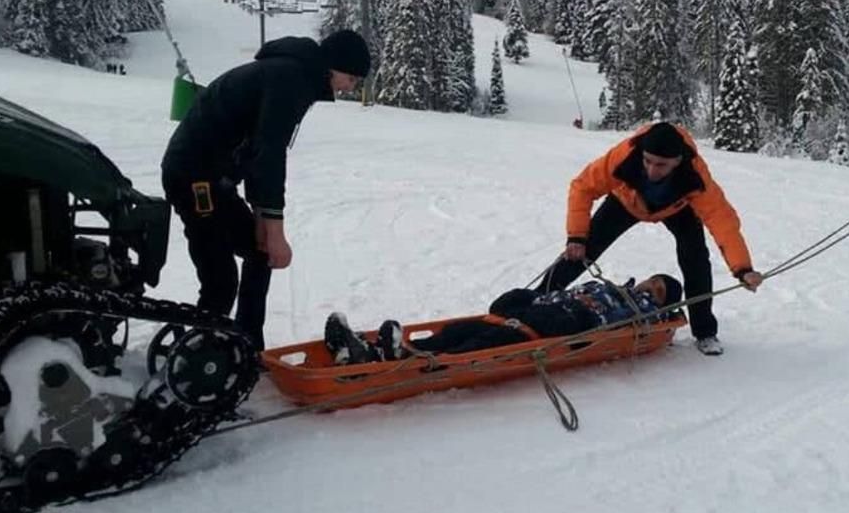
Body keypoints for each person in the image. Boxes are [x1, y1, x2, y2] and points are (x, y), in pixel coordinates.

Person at [161, 29, 371, 350]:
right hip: (194, 177)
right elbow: (269, 153)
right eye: (351, 78)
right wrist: (275, 229)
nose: (350, 88)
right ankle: (200, 355)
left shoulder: (293, 73)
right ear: (333, 66)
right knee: (221, 279)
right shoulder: (291, 79)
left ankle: (246, 344)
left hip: (214, 178)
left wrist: (262, 217)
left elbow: (254, 152)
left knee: (259, 253)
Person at [541, 121, 762, 357]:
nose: (652, 170)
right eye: (647, 161)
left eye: (661, 165)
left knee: (696, 259)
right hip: (626, 202)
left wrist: (743, 269)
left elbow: (722, 221)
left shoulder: (695, 174)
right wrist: (576, 236)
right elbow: (583, 186)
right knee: (582, 249)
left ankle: (705, 332)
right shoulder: (626, 154)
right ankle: (537, 299)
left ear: (678, 160)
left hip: (677, 209)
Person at [324, 273, 684, 365]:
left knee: (482, 345)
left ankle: (407, 361)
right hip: (535, 312)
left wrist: (661, 313)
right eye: (653, 281)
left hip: (559, 325)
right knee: (460, 329)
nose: (650, 288)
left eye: (658, 291)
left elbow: (649, 326)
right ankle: (388, 351)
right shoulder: (608, 285)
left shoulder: (641, 313)